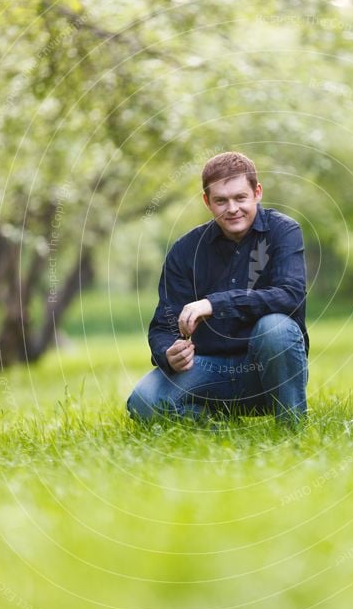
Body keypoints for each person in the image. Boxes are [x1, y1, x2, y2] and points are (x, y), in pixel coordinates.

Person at [126, 151, 309, 425]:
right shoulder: (185, 251)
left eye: (240, 198)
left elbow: (290, 295)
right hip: (208, 368)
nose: (232, 208)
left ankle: (292, 428)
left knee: (275, 327)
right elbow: (164, 324)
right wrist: (167, 353)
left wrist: (214, 304)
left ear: (257, 192)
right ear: (207, 202)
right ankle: (217, 426)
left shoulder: (283, 231)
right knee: (143, 403)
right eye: (221, 200)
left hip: (267, 371)